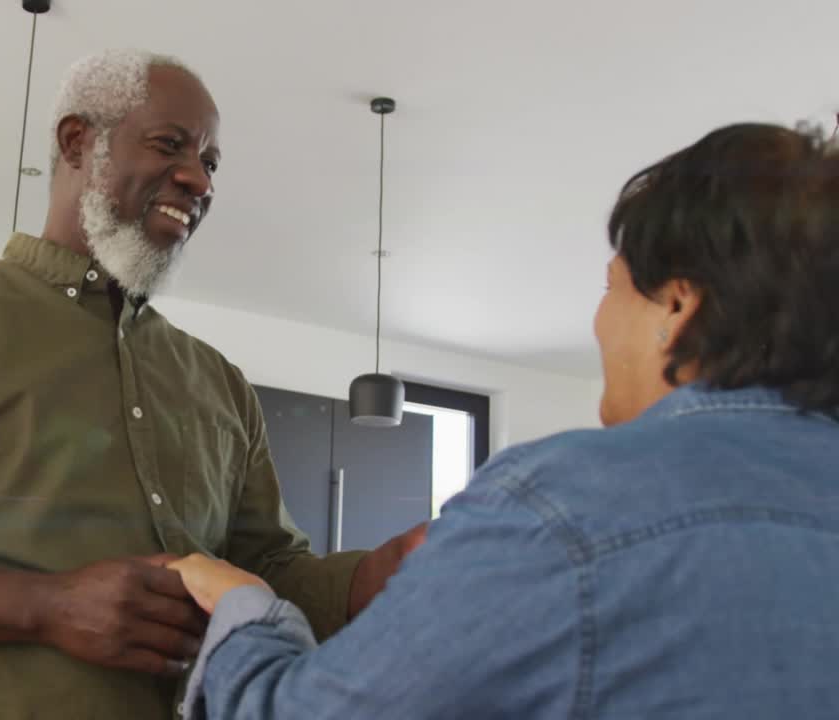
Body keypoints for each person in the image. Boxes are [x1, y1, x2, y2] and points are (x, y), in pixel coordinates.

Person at [0, 49, 421, 720]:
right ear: (78, 142)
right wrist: (45, 607)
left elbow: (265, 576)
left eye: (210, 164)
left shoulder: (219, 384)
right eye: (170, 145)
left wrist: (385, 572)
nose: (199, 180)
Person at [169, 122, 839, 719]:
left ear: (677, 307)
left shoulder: (564, 502)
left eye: (612, 286)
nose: (600, 320)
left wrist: (249, 611)